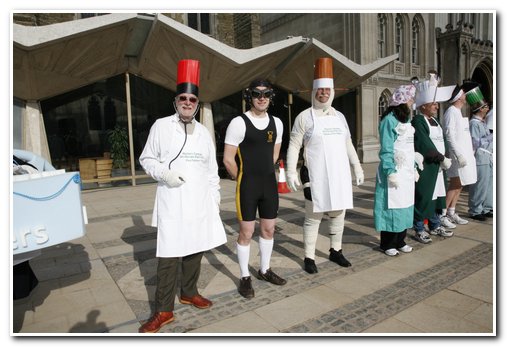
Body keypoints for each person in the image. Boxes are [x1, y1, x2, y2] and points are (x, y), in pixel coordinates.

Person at [138, 59, 227, 333]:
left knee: (195, 250)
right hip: (173, 203)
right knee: (168, 256)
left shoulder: (203, 132)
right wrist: (165, 174)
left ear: (197, 103)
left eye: (192, 99)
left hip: (199, 203)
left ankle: (189, 292)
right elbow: (146, 158)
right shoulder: (161, 126)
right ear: (175, 101)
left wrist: (214, 198)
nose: (187, 102)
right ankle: (163, 310)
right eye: (183, 98)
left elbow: (212, 170)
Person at [285, 57, 364, 274]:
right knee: (314, 216)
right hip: (315, 175)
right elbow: (294, 145)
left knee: (338, 213)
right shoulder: (304, 117)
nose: (324, 93)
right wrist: (291, 171)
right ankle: (309, 256)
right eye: (320, 90)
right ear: (314, 92)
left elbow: (347, 142)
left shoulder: (340, 117)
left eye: (327, 89)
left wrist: (356, 167)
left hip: (338, 174)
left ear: (332, 91)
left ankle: (335, 250)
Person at [223, 79, 286, 299]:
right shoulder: (238, 123)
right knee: (246, 233)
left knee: (268, 230)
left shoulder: (277, 123)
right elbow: (228, 159)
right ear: (250, 96)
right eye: (257, 94)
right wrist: (240, 177)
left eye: (266, 94)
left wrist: (265, 171)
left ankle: (265, 270)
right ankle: (244, 276)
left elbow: (274, 153)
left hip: (268, 184)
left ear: (271, 97)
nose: (262, 98)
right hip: (247, 185)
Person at [373, 85, 421, 256]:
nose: (412, 101)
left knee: (405, 205)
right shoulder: (389, 121)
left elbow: (408, 147)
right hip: (393, 171)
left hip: (406, 172)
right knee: (392, 207)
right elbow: (386, 148)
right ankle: (387, 243)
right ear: (403, 100)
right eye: (410, 98)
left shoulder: (407, 120)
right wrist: (390, 170)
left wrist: (414, 166)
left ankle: (400, 239)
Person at [411, 73, 455, 244]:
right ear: (423, 106)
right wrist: (440, 158)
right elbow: (424, 143)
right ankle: (419, 228)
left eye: (437, 103)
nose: (437, 106)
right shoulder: (418, 121)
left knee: (438, 198)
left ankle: (435, 225)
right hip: (428, 166)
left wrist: (445, 158)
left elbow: (442, 140)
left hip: (439, 167)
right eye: (434, 103)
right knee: (424, 197)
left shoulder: (435, 121)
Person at [439, 85, 477, 228]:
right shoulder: (451, 112)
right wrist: (458, 154)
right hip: (457, 155)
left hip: (465, 154)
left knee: (461, 183)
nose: (466, 96)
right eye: (464, 94)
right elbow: (449, 136)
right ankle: (442, 215)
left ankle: (451, 211)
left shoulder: (458, 112)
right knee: (455, 184)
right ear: (458, 97)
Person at [466, 87, 493, 221]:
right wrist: (490, 137)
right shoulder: (473, 123)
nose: (488, 108)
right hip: (480, 156)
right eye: (486, 106)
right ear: (480, 109)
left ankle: (486, 207)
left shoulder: (481, 123)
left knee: (488, 183)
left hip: (487, 156)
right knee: (480, 184)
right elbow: (474, 142)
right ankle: (475, 210)